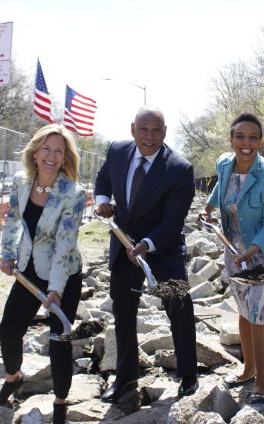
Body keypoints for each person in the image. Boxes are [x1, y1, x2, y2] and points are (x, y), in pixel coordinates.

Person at [94, 107, 199, 402]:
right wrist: (103, 201)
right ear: (132, 129)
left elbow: (172, 222)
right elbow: (103, 179)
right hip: (124, 246)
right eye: (144, 129)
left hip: (161, 248)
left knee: (178, 308)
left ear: (165, 132)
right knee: (123, 312)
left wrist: (146, 245)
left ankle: (189, 376)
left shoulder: (180, 169)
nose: (149, 136)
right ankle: (126, 377)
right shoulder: (116, 151)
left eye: (156, 130)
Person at [0, 124, 86, 424]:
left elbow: (65, 243)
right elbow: (11, 221)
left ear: (65, 158)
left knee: (59, 339)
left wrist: (56, 290)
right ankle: (13, 378)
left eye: (59, 151)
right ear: (35, 153)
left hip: (64, 275)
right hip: (30, 269)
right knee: (8, 329)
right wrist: (7, 254)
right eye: (46, 148)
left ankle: (60, 404)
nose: (51, 155)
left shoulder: (73, 193)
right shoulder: (22, 182)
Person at [198, 113, 264, 404]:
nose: (246, 143)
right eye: (240, 136)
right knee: (244, 310)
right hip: (234, 248)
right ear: (231, 138)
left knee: (260, 314)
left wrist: (252, 252)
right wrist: (210, 208)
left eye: (253, 138)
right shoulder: (225, 163)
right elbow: (221, 187)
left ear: (260, 141)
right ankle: (248, 369)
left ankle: (261, 384)